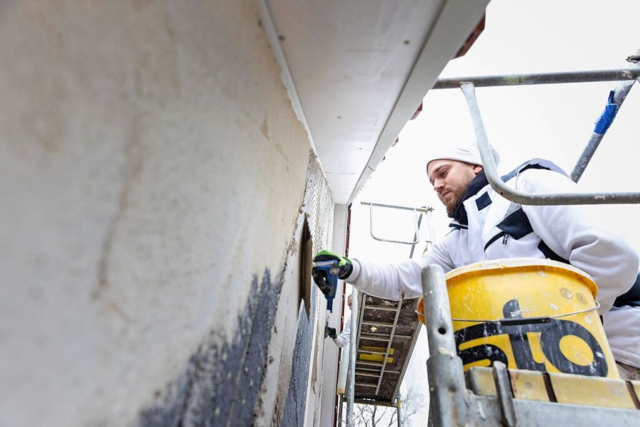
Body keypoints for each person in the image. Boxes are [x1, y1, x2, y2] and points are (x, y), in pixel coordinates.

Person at [313, 142, 640, 379]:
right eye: (432, 182)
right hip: (551, 363)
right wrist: (349, 269)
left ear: (476, 166)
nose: (437, 186)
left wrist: (567, 323)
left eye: (443, 173)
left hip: (621, 355)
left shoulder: (525, 187)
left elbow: (610, 255)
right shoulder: (459, 242)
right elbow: (403, 279)